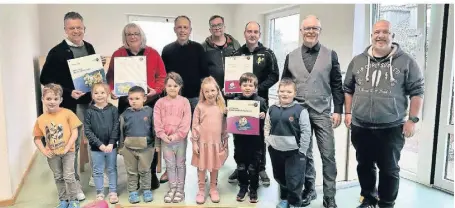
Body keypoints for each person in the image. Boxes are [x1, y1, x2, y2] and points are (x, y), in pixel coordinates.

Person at [343, 20, 424, 208]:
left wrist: (412, 120)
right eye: (376, 32)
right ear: (371, 36)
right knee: (364, 165)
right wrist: (348, 112)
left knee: (389, 169)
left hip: (391, 127)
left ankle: (387, 203)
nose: (380, 36)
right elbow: (348, 88)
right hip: (361, 126)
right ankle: (369, 199)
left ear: (392, 36)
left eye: (385, 32)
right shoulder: (358, 60)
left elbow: (417, 91)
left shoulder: (407, 62)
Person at [40, 11, 106, 200]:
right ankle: (74, 182)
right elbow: (45, 79)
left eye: (79, 27)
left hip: (89, 103)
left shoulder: (89, 47)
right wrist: (68, 92)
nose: (76, 31)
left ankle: (97, 176)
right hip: (70, 106)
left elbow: (94, 76)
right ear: (65, 30)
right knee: (73, 145)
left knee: (94, 139)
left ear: (84, 29)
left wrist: (98, 64)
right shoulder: (56, 52)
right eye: (72, 28)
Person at [281, 15, 344, 208]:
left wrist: (338, 110)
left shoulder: (330, 54)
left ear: (319, 31)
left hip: (322, 112)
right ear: (301, 31)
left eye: (314, 28)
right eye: (307, 28)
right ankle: (309, 190)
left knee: (328, 155)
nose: (310, 32)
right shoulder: (290, 56)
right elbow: (285, 84)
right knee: (305, 155)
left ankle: (329, 196)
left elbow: (336, 84)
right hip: (299, 113)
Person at [106, 22, 166, 190]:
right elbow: (110, 78)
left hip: (149, 102)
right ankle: (133, 174)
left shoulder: (152, 53)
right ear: (125, 37)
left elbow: (162, 76)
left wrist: (156, 90)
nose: (133, 36)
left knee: (148, 139)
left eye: (136, 33)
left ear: (141, 36)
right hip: (126, 103)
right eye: (129, 34)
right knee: (128, 138)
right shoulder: (118, 54)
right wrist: (112, 90)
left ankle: (150, 173)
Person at [228, 21, 279, 186]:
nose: (252, 34)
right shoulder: (236, 54)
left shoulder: (268, 53)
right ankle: (240, 166)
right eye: (249, 31)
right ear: (244, 33)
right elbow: (231, 77)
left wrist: (257, 89)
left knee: (258, 136)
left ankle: (261, 167)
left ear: (259, 34)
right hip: (240, 101)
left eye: (255, 31)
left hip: (259, 102)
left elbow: (274, 75)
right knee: (240, 135)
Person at [160, 15, 209, 184]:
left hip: (195, 98)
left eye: (185, 27)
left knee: (198, 135)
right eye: (179, 27)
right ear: (175, 29)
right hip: (174, 100)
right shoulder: (166, 50)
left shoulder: (198, 48)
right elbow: (164, 77)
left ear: (190, 30)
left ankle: (203, 168)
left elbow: (204, 74)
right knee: (172, 136)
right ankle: (169, 169)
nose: (182, 30)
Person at [264, 78, 312, 208]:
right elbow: (267, 126)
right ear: (278, 92)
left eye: (289, 92)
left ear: (295, 94)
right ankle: (284, 199)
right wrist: (268, 142)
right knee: (280, 176)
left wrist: (302, 151)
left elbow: (306, 132)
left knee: (294, 179)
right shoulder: (272, 108)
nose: (285, 94)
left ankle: (295, 202)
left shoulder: (300, 110)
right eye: (282, 91)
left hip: (294, 153)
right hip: (276, 151)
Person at [33, 83, 82, 208]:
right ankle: (63, 200)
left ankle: (73, 199)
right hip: (52, 154)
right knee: (58, 177)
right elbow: (37, 138)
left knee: (69, 176)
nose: (52, 102)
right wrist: (44, 151)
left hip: (68, 152)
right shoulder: (41, 119)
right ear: (43, 99)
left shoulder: (68, 113)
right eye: (48, 99)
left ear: (60, 99)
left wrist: (67, 147)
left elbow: (75, 133)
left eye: (55, 99)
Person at [153, 72, 192, 203]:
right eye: (169, 85)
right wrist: (163, 136)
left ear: (180, 86)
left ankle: (180, 190)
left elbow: (186, 123)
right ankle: (172, 188)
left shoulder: (185, 102)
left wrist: (176, 136)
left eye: (175, 85)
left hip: (180, 140)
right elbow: (157, 122)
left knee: (180, 164)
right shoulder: (159, 103)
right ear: (165, 86)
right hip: (165, 140)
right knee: (169, 165)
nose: (172, 88)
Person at [191, 76, 229, 204]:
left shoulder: (222, 107)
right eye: (206, 91)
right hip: (202, 144)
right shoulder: (200, 107)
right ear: (202, 92)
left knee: (214, 168)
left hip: (216, 144)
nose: (210, 94)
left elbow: (224, 125)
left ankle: (213, 188)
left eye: (212, 90)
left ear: (218, 90)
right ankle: (201, 190)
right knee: (201, 168)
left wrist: (225, 141)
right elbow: (195, 126)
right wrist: (194, 143)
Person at [231, 72, 268, 203]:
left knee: (254, 167)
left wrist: (264, 116)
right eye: (244, 85)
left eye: (250, 85)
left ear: (255, 87)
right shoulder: (235, 102)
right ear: (239, 86)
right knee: (241, 166)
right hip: (240, 141)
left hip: (256, 142)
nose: (247, 87)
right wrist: (227, 113)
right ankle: (243, 187)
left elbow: (267, 123)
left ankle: (253, 188)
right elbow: (231, 121)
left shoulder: (261, 101)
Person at [118, 86, 156, 204]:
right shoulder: (125, 114)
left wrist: (155, 145)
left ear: (144, 98)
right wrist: (121, 147)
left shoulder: (150, 111)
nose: (133, 101)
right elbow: (121, 131)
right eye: (131, 99)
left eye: (137, 98)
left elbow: (154, 129)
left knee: (145, 170)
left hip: (146, 148)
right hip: (129, 148)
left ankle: (146, 190)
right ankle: (132, 192)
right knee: (131, 171)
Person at [84, 83, 120, 204]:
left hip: (111, 146)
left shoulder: (113, 110)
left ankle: (113, 191)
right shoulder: (89, 111)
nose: (99, 95)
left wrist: (111, 143)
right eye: (96, 93)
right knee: (97, 170)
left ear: (108, 94)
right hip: (96, 148)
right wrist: (99, 144)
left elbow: (116, 127)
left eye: (102, 92)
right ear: (92, 95)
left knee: (111, 169)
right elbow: (88, 130)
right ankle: (99, 192)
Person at [201, 15, 241, 94]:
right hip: (212, 92)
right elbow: (201, 71)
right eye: (214, 26)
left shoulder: (235, 44)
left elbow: (241, 65)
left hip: (233, 90)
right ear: (210, 30)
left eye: (219, 24)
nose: (217, 28)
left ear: (224, 26)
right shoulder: (203, 47)